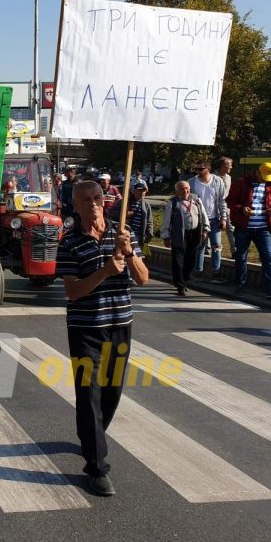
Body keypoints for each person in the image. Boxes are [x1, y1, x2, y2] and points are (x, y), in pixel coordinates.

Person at [55, 180, 149, 496]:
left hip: (120, 324)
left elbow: (143, 278)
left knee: (111, 393)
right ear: (75, 206)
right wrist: (106, 271)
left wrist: (129, 253)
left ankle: (91, 435)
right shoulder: (69, 243)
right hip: (85, 329)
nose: (94, 204)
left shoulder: (123, 234)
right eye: (86, 200)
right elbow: (72, 291)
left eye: (97, 198)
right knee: (89, 394)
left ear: (105, 201)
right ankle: (96, 467)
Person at [227, 162, 271, 299]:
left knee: (268, 257)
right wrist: (242, 208)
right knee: (241, 257)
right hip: (244, 227)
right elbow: (230, 201)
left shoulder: (270, 186)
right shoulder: (241, 183)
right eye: (263, 176)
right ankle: (240, 285)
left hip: (263, 228)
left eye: (267, 178)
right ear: (256, 172)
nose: (265, 180)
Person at [161, 181, 209, 296]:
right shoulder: (172, 203)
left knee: (190, 259)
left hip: (194, 233)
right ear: (177, 191)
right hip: (179, 235)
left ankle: (185, 280)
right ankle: (180, 286)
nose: (185, 191)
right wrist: (166, 236)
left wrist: (206, 229)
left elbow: (204, 215)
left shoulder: (196, 200)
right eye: (182, 189)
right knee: (178, 261)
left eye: (187, 188)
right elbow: (166, 221)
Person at [188, 161, 228, 282]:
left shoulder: (217, 181)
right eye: (197, 169)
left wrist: (223, 217)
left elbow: (222, 200)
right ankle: (198, 271)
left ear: (208, 169)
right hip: (199, 219)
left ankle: (216, 271)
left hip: (214, 218)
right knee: (200, 245)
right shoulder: (192, 182)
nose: (198, 171)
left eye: (201, 169)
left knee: (216, 245)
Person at [214, 157, 235, 255]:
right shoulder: (212, 177)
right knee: (213, 229)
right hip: (213, 208)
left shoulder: (229, 177)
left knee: (230, 228)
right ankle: (209, 250)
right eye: (229, 165)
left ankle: (235, 251)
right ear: (222, 166)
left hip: (226, 207)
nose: (231, 167)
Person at [126, 180, 154, 252]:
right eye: (140, 190)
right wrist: (125, 215)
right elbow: (112, 212)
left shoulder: (146, 204)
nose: (143, 192)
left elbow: (149, 220)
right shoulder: (126, 202)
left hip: (139, 236)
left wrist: (149, 234)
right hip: (127, 235)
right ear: (134, 191)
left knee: (137, 257)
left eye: (144, 190)